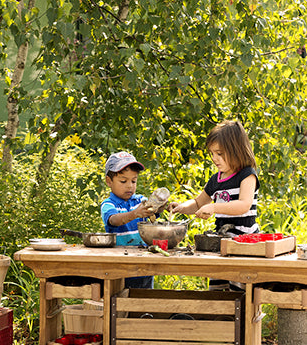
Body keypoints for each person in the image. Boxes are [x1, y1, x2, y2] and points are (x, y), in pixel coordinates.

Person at [170, 119, 260, 290]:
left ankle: (241, 316)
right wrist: (181, 207)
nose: (214, 159)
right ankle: (220, 316)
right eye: (212, 154)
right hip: (221, 244)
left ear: (236, 150)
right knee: (218, 289)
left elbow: (244, 205)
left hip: (244, 244)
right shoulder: (216, 180)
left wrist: (214, 207)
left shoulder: (247, 175)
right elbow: (198, 203)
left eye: (219, 153)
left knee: (239, 289)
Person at [101, 150, 155, 289]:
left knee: (145, 300)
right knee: (120, 302)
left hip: (144, 264)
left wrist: (161, 207)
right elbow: (114, 220)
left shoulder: (140, 200)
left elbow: (153, 214)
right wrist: (134, 214)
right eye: (123, 181)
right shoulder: (108, 204)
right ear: (109, 181)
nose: (129, 185)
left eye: (134, 181)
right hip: (120, 266)